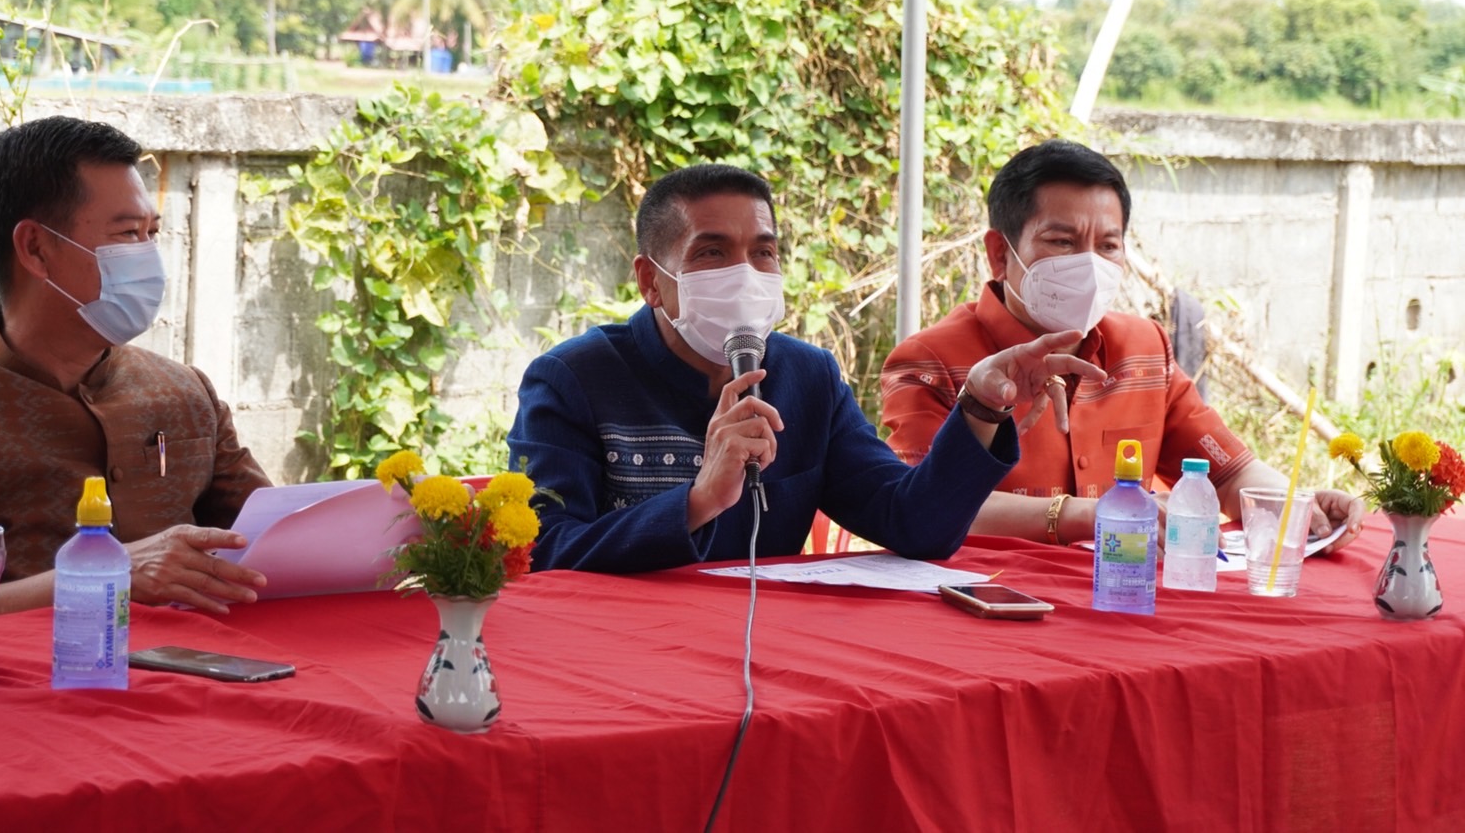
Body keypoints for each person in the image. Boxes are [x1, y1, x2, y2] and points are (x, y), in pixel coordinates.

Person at [509, 163, 1104, 573]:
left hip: (769, 662)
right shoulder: (573, 379)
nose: (745, 275)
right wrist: (697, 502)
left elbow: (912, 522)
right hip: (626, 660)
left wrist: (979, 406)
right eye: (712, 252)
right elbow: (543, 553)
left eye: (763, 252)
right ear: (650, 281)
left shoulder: (807, 377)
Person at [879, 139, 1364, 551]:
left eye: (1108, 246)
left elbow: (1229, 474)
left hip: (1126, 599)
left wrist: (1295, 506)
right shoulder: (928, 362)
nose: (1089, 265)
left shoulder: (1145, 347)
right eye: (1062, 242)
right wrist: (1086, 515)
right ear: (1000, 254)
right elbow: (919, 504)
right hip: (990, 603)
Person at [0, 116, 271, 621]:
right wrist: (108, 572)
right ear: (35, 249)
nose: (149, 257)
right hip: (28, 670)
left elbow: (274, 542)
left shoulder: (184, 391)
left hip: (204, 664)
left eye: (152, 233)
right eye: (127, 234)